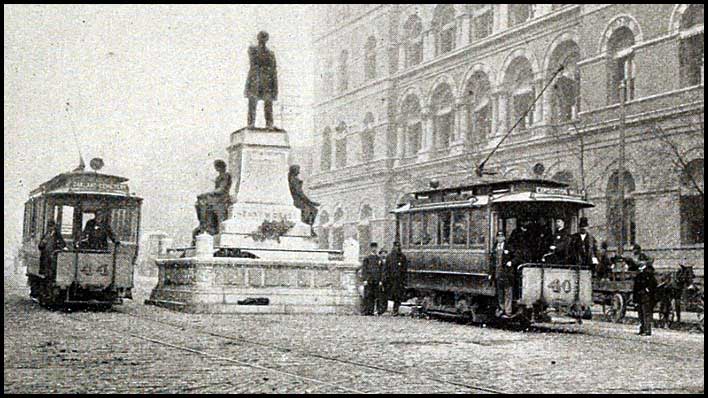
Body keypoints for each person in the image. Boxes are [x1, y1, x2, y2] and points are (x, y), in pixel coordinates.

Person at [245, 31, 278, 128]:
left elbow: (273, 71)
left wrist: (275, 88)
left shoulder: (271, 54)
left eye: (264, 38)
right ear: (258, 39)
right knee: (252, 103)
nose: (262, 40)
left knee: (268, 103)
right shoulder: (253, 50)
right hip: (255, 81)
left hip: (267, 82)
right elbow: (253, 61)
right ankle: (251, 123)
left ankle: (269, 124)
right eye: (261, 38)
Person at [194, 159, 232, 242]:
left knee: (203, 201)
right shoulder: (219, 177)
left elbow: (221, 190)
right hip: (217, 197)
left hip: (222, 197)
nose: (216, 169)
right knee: (199, 202)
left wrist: (207, 193)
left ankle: (205, 225)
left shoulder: (226, 176)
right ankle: (204, 223)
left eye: (217, 167)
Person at [506, 219, 535, 300]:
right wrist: (515, 252)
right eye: (525, 221)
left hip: (528, 259)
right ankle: (517, 298)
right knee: (517, 279)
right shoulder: (515, 232)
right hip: (517, 259)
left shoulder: (531, 233)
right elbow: (510, 244)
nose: (527, 223)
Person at [288, 165, 320, 236]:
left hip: (300, 200)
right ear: (294, 170)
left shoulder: (293, 179)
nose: (299, 171)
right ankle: (308, 228)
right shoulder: (294, 180)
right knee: (311, 210)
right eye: (298, 169)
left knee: (313, 210)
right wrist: (311, 202)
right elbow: (300, 193)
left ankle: (309, 228)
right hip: (298, 200)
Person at [490, 231, 514, 317]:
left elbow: (516, 256)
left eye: (501, 237)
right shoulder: (494, 247)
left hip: (507, 274)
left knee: (508, 292)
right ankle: (501, 309)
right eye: (498, 237)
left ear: (504, 238)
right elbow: (492, 262)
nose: (500, 238)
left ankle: (508, 311)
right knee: (499, 293)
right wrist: (491, 273)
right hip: (498, 273)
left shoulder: (509, 247)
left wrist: (511, 262)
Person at [633, 262, 658, 336]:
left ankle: (647, 330)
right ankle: (642, 329)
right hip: (640, 298)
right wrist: (635, 300)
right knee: (641, 314)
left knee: (646, 314)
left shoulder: (650, 277)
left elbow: (654, 287)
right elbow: (635, 289)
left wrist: (648, 290)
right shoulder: (638, 277)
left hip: (647, 298)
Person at [384, 241, 408, 316]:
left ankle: (395, 309)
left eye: (398, 246)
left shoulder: (402, 257)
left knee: (397, 296)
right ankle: (386, 309)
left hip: (399, 280)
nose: (397, 248)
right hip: (391, 279)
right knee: (389, 294)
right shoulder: (389, 257)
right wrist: (386, 278)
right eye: (396, 246)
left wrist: (404, 279)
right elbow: (386, 268)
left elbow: (404, 269)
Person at [361, 242, 384, 316]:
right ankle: (367, 311)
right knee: (368, 295)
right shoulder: (367, 258)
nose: (374, 249)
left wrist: (381, 280)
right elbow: (364, 269)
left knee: (376, 296)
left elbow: (381, 270)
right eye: (373, 248)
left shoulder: (379, 259)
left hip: (376, 280)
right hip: (369, 280)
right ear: (370, 248)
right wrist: (365, 279)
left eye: (375, 248)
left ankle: (376, 310)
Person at [377, 248, 389, 315]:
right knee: (379, 295)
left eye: (385, 253)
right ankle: (379, 309)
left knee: (385, 295)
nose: (384, 254)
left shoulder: (388, 261)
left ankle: (385, 309)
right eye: (382, 253)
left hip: (386, 281)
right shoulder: (378, 261)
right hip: (380, 280)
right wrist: (380, 280)